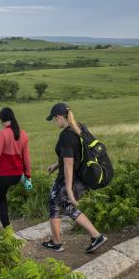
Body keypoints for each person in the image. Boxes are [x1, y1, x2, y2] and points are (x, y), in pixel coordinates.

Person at [42, 102, 108, 253]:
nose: (54, 122)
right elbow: (75, 155)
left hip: (69, 178)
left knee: (57, 203)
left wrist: (69, 189)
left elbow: (69, 162)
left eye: (54, 119)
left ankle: (60, 242)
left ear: (59, 117)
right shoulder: (79, 127)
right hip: (81, 177)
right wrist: (56, 164)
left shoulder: (65, 135)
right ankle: (90, 237)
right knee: (62, 205)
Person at [0, 107, 31, 228]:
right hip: (18, 176)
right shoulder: (23, 134)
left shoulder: (2, 134)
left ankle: (7, 227)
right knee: (3, 196)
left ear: (2, 120)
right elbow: (27, 158)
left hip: (3, 176)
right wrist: (28, 176)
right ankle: (6, 219)